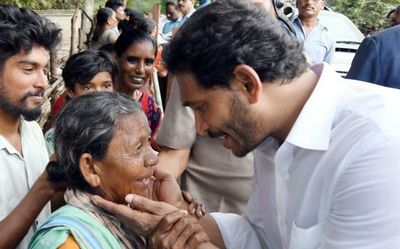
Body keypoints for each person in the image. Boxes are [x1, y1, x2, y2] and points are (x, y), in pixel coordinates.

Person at [93, 1, 400, 248]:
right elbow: (259, 234)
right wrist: (179, 220)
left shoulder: (379, 145)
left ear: (247, 84)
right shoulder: (271, 139)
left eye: (201, 107)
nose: (200, 128)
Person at [154, 0, 294, 215]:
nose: (201, 127)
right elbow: (174, 154)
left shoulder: (298, 79)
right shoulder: (199, 72)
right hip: (207, 214)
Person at [29, 92, 209, 248]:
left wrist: (176, 207)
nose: (154, 158)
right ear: (91, 168)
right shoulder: (68, 242)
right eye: (138, 148)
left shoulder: (130, 216)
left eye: (148, 142)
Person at [0, 4, 64, 249]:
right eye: (29, 69)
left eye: (44, 69)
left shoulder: (32, 131)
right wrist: (45, 186)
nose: (43, 82)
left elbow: (42, 214)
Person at [44, 49, 118, 156]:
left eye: (106, 86)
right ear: (70, 92)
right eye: (88, 88)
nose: (98, 94)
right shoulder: (56, 139)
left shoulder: (122, 128)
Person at [114, 26, 162, 140]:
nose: (141, 69)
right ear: (116, 58)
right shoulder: (93, 97)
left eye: (148, 62)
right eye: (132, 60)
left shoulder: (150, 110)